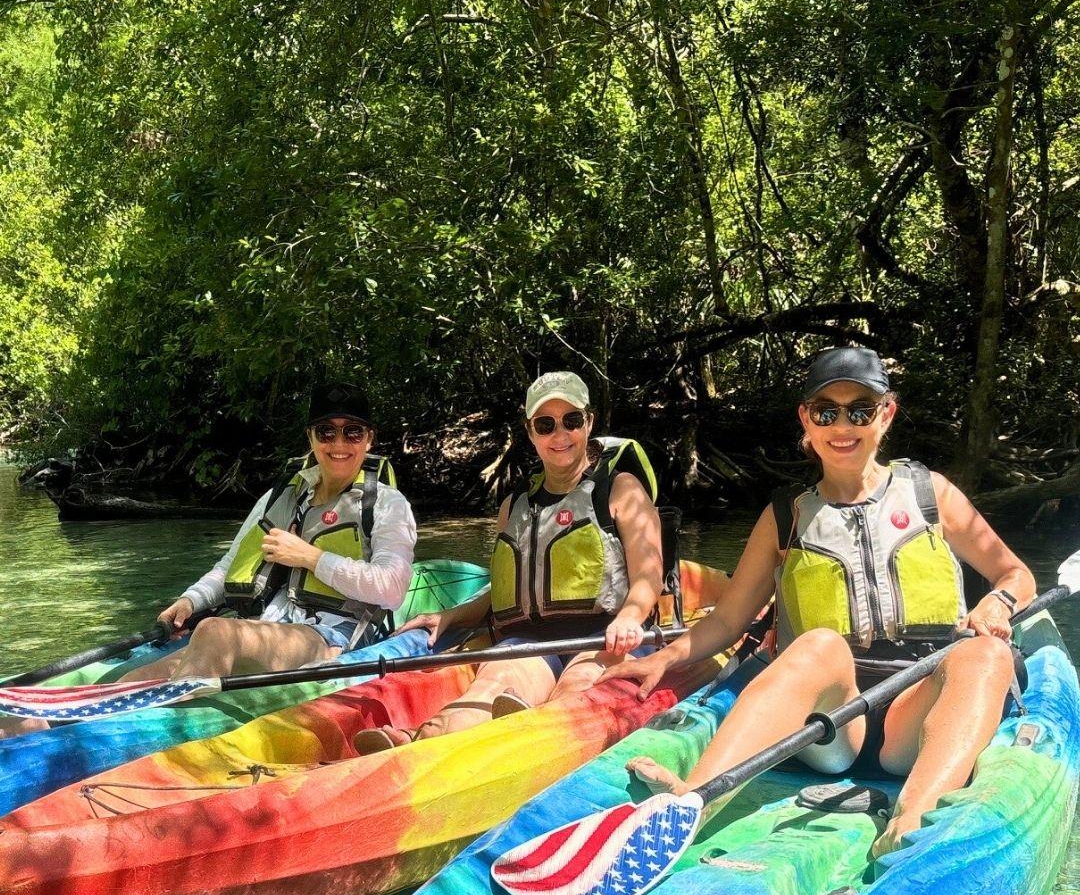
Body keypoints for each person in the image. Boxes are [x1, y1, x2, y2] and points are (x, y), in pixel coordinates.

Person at [604, 346, 1035, 858]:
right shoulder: (785, 515)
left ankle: (913, 820)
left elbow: (1014, 573)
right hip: (831, 723)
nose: (843, 425)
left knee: (987, 653)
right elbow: (728, 621)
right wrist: (662, 659)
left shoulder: (931, 493)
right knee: (818, 644)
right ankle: (694, 800)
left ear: (886, 415)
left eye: (860, 410)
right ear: (807, 420)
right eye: (827, 411)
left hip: (917, 714)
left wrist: (997, 604)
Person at [354, 370, 664, 750]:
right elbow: (507, 589)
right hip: (532, 641)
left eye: (571, 420)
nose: (560, 435)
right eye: (545, 424)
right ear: (531, 432)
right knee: (492, 686)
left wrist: (631, 615)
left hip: (605, 637)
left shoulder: (620, 489)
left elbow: (650, 575)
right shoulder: (514, 506)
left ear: (589, 422)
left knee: (577, 689)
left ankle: (532, 740)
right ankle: (423, 744)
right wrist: (451, 616)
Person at [120, 382, 417, 682]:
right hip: (267, 624)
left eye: (352, 432)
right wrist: (191, 601)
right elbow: (232, 565)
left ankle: (174, 723)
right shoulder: (280, 498)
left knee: (215, 631)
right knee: (145, 675)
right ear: (310, 438)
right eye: (326, 432)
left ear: (369, 440)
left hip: (334, 635)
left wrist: (311, 557)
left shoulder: (387, 504)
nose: (339, 444)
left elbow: (392, 589)